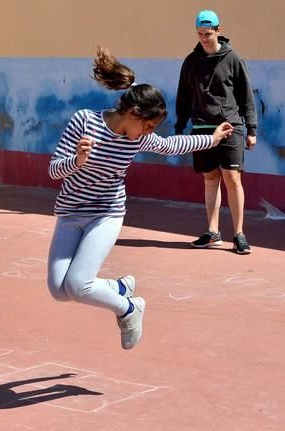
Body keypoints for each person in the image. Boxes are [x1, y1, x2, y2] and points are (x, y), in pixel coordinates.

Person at [47, 47, 233, 349]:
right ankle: (119, 287)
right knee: (59, 290)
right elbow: (54, 170)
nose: (149, 132)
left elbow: (172, 145)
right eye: (148, 125)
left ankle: (130, 308)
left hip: (106, 213)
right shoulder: (84, 121)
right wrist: (77, 161)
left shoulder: (141, 137)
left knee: (78, 285)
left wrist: (211, 139)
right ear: (133, 114)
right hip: (70, 212)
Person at [175, 10, 257, 254]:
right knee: (210, 179)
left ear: (218, 31)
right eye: (200, 34)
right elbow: (184, 96)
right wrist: (180, 127)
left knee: (232, 179)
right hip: (202, 129)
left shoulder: (234, 58)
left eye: (208, 34)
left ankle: (239, 234)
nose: (203, 38)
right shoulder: (191, 61)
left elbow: (246, 96)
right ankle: (213, 233)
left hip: (231, 127)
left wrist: (251, 128)